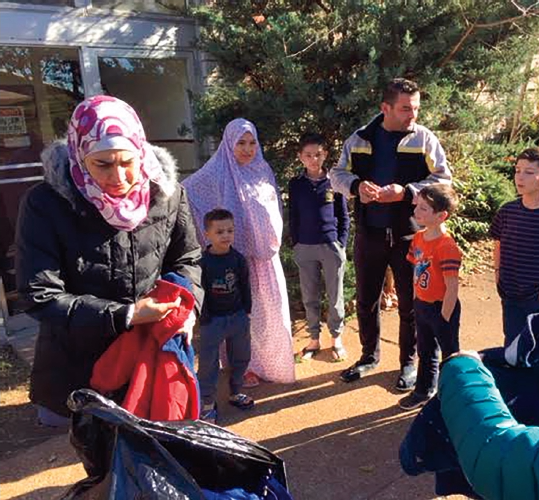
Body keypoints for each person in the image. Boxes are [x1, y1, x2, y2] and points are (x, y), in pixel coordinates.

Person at [15, 95, 203, 427]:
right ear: (79, 155)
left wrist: (186, 309)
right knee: (100, 466)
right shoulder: (46, 204)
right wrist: (128, 315)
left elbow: (187, 259)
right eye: (102, 164)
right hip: (78, 368)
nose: (119, 176)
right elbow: (39, 294)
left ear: (141, 152)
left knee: (153, 459)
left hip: (151, 362)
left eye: (127, 161)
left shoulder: (168, 194)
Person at [329, 77, 452, 390]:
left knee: (412, 303)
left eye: (416, 108)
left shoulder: (424, 139)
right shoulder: (358, 139)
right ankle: (369, 356)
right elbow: (337, 174)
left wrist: (407, 192)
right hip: (369, 233)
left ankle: (409, 363)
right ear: (385, 108)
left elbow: (443, 180)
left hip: (410, 236)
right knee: (367, 300)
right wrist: (357, 187)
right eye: (406, 109)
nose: (413, 115)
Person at [182, 118, 295, 387]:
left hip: (265, 260)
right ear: (228, 144)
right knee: (240, 318)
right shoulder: (217, 170)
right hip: (234, 260)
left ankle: (269, 363)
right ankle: (243, 368)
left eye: (252, 142)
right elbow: (186, 190)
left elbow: (273, 208)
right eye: (240, 143)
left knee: (268, 314)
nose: (247, 149)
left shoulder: (263, 169)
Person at [398, 184, 461, 410]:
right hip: (422, 305)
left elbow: (452, 287)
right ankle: (424, 391)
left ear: (441, 216)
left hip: (442, 308)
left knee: (450, 355)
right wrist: (418, 300)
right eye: (418, 206)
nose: (417, 211)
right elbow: (416, 269)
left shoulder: (447, 246)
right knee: (425, 352)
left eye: (424, 209)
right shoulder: (418, 238)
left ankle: (454, 396)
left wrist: (444, 316)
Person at [288, 133, 350, 361]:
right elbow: (293, 215)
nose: (314, 159)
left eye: (318, 154)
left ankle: (337, 338)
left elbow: (344, 216)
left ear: (324, 155)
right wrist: (295, 242)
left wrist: (340, 243)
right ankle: (313, 339)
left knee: (335, 296)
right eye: (308, 155)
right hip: (305, 247)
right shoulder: (296, 185)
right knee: (310, 295)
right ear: (300, 157)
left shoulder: (334, 181)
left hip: (330, 246)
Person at [198, 208, 254, 424]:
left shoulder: (238, 259)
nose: (226, 235)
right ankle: (208, 403)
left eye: (230, 230)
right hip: (212, 321)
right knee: (208, 363)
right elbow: (199, 291)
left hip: (238, 317)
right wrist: (204, 317)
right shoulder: (202, 262)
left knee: (241, 356)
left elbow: (244, 285)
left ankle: (235, 391)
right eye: (220, 231)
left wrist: (246, 310)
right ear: (207, 234)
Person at [491, 147, 539, 346]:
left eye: (529, 172)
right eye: (518, 170)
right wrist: (498, 274)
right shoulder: (507, 211)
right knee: (512, 345)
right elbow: (498, 243)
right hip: (510, 292)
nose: (520, 177)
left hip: (535, 296)